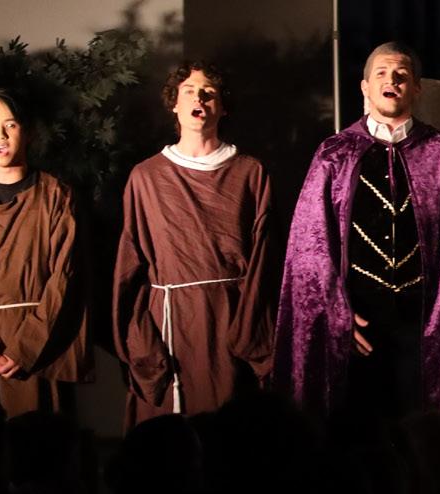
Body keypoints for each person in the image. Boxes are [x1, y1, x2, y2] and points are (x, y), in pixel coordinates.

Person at [278, 41, 440, 417]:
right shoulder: (334, 154)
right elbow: (310, 249)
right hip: (357, 319)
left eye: (402, 74)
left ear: (416, 88)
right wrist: (335, 312)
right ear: (365, 87)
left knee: (418, 427)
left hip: (422, 321)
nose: (392, 80)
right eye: (382, 73)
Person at [114, 61, 276, 423]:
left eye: (209, 92)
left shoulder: (250, 173)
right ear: (174, 103)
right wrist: (142, 343)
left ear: (223, 106)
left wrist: (248, 336)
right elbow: (130, 266)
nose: (198, 99)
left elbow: (265, 259)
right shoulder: (146, 177)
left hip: (231, 322)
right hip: (170, 327)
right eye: (188, 91)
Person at [0, 90, 81, 415]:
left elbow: (63, 278)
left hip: (40, 349)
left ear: (28, 132)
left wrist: (24, 348)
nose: (0, 135)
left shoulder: (56, 197)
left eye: (10, 125)